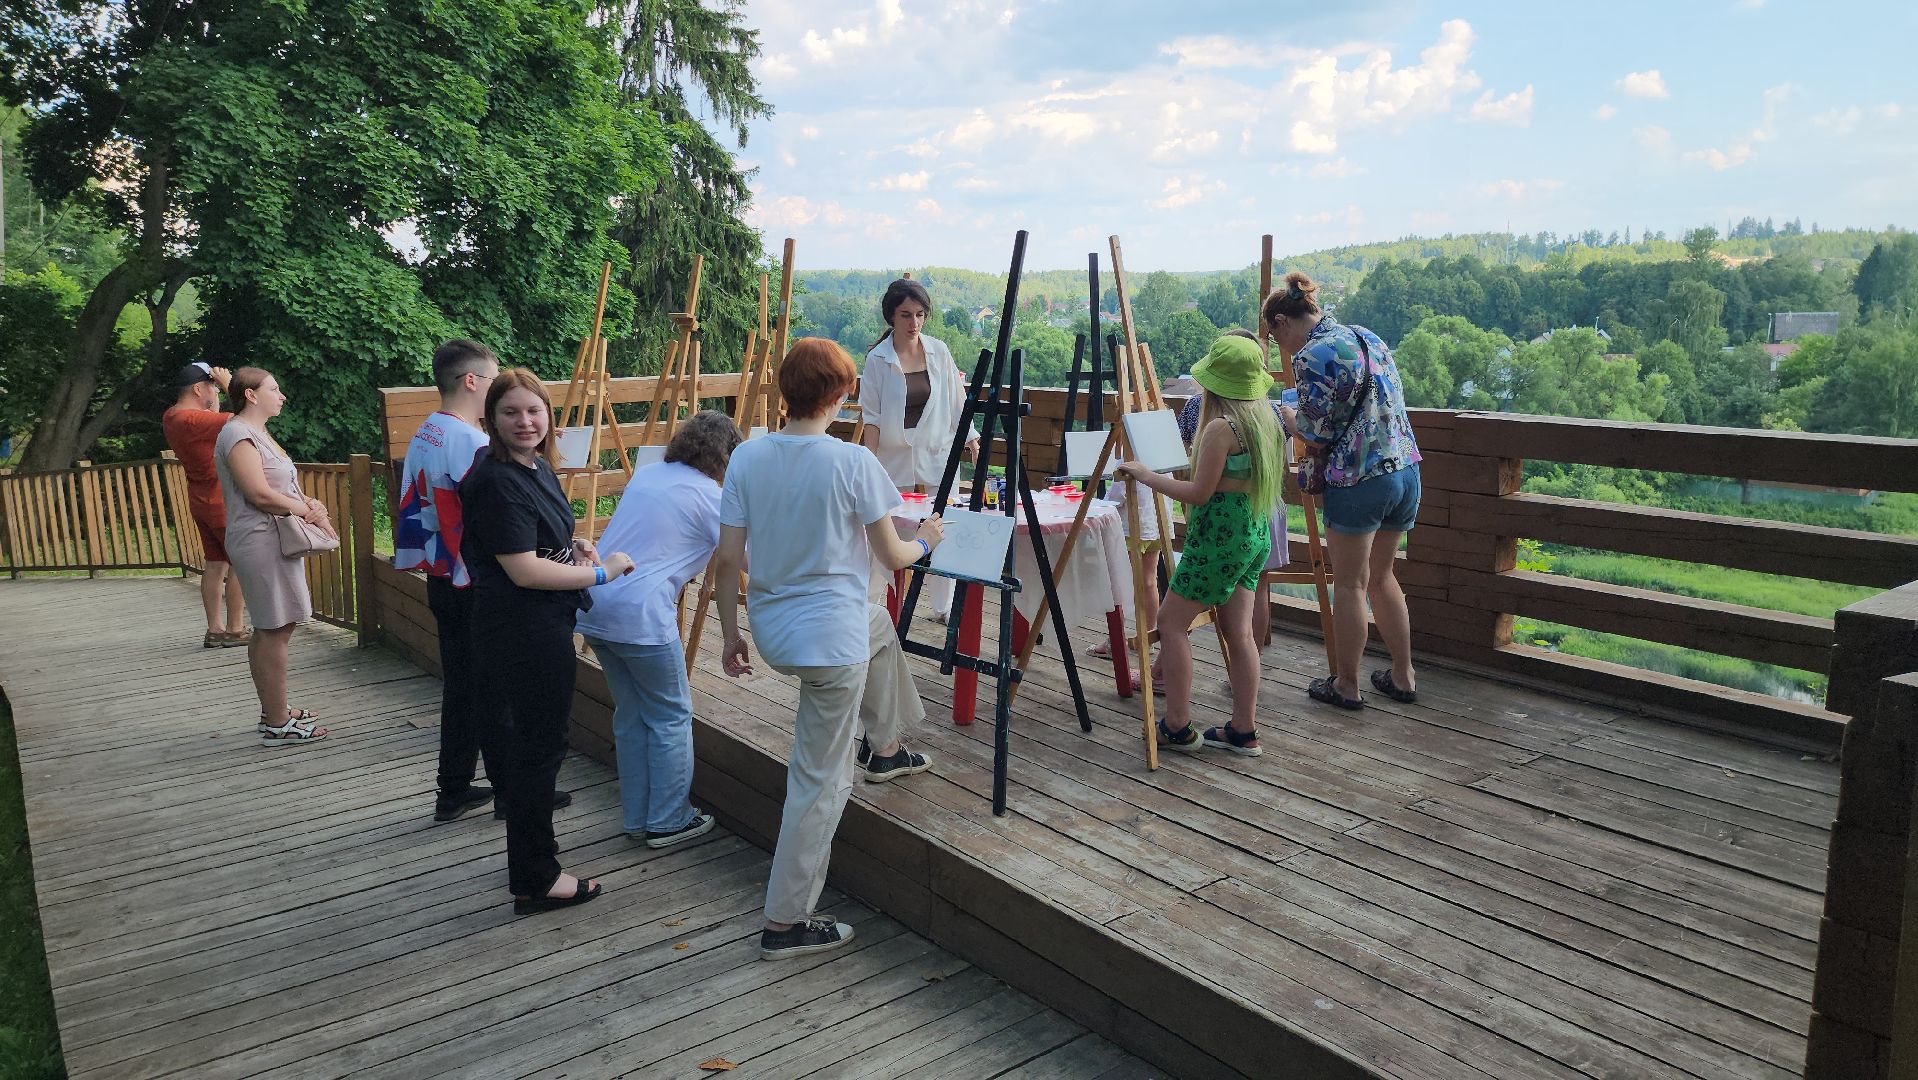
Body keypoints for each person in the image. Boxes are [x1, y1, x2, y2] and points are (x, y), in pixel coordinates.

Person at [717, 337, 942, 960]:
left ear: (786, 392)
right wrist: (926, 539)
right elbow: (893, 556)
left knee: (879, 627)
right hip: (828, 644)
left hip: (774, 629)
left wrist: (732, 635)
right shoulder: (852, 463)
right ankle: (786, 922)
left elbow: (730, 556)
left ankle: (888, 744)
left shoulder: (748, 457)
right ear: (843, 396)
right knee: (818, 781)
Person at [460, 368, 635, 915]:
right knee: (539, 749)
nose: (525, 421)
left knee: (536, 746)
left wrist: (571, 546)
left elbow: (537, 546)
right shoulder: (496, 479)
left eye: (534, 411)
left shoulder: (532, 467)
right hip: (523, 631)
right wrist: (601, 572)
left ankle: (532, 865)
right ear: (490, 418)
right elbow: (523, 572)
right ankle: (536, 878)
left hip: (536, 624)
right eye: (511, 412)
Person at [577, 411, 743, 849]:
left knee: (631, 717)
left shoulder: (650, 474)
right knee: (670, 716)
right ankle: (669, 819)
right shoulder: (711, 497)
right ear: (728, 457)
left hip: (596, 604)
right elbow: (750, 563)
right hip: (643, 617)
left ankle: (637, 817)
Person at [1117, 335, 1282, 756]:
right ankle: (1244, 730)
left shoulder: (1219, 429)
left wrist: (1146, 474)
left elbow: (1198, 493)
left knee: (1171, 624)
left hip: (1218, 538)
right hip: (1253, 532)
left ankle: (1177, 725)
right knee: (1241, 633)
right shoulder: (1268, 420)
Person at [1267, 271, 1422, 710]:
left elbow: (1315, 433)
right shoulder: (1367, 336)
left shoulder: (1312, 355)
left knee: (1351, 584)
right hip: (1406, 470)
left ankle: (1347, 685)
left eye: (1275, 336)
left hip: (1359, 479)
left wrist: (1286, 415)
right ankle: (1403, 675)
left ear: (1283, 322)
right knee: (1383, 576)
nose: (1281, 347)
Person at [395, 338, 509, 823]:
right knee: (494, 686)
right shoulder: (473, 443)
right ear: (471, 382)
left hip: (441, 574)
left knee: (462, 685)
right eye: (494, 381)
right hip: (474, 580)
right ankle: (513, 793)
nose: (499, 390)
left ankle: (453, 789)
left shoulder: (428, 432)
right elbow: (494, 517)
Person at [213, 368, 336, 744]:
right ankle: (277, 723)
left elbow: (278, 486)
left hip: (271, 539)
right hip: (260, 540)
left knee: (277, 626)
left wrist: (308, 502)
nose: (281, 396)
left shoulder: (257, 433)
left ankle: (275, 711)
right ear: (251, 395)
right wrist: (304, 511)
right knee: (274, 628)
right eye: (274, 388)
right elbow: (259, 494)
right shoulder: (237, 434)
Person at [858, 278, 977, 621]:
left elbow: (957, 402)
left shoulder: (939, 351)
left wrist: (971, 439)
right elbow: (873, 418)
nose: (914, 323)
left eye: (920, 315)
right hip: (893, 455)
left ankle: (943, 608)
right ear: (891, 317)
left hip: (937, 451)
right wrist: (872, 463)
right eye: (906, 315)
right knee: (886, 528)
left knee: (944, 524)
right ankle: (872, 601)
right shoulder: (878, 360)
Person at [161, 362, 248, 648]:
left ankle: (215, 629)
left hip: (200, 499)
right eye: (209, 385)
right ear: (198, 388)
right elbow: (247, 418)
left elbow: (213, 416)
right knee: (239, 565)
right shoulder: (195, 421)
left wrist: (215, 395)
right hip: (221, 501)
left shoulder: (173, 416)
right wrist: (229, 384)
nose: (214, 388)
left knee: (215, 563)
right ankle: (235, 629)